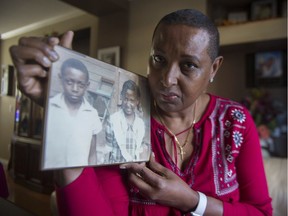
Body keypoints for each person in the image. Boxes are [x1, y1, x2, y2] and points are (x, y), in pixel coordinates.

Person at [9, 9, 272, 216]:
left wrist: (193, 202)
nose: (167, 79)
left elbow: (260, 212)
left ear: (213, 69)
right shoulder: (120, 118)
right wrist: (64, 118)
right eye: (158, 59)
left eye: (188, 65)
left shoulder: (235, 121)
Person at [43, 58, 102, 168]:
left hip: (81, 177)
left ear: (87, 85)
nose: (75, 89)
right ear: (61, 79)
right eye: (69, 82)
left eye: (80, 85)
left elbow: (92, 154)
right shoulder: (51, 107)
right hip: (54, 177)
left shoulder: (92, 114)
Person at [106, 79, 146, 163]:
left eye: (132, 100)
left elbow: (140, 149)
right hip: (115, 167)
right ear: (121, 96)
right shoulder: (113, 120)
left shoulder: (140, 124)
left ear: (137, 101)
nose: (128, 104)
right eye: (126, 99)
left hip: (133, 169)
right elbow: (108, 149)